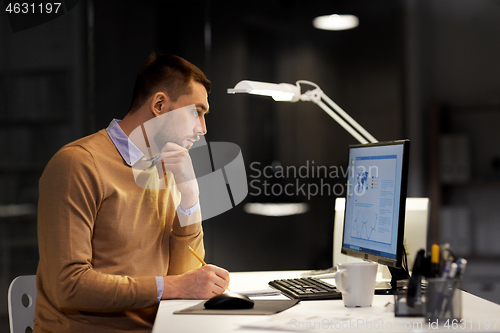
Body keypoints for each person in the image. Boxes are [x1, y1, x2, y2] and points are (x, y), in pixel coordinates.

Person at [34, 53, 230, 333]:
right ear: (159, 105)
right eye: (195, 112)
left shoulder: (168, 167)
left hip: (159, 327)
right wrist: (174, 286)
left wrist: (190, 197)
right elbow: (69, 286)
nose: (202, 129)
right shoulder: (77, 164)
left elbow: (185, 276)